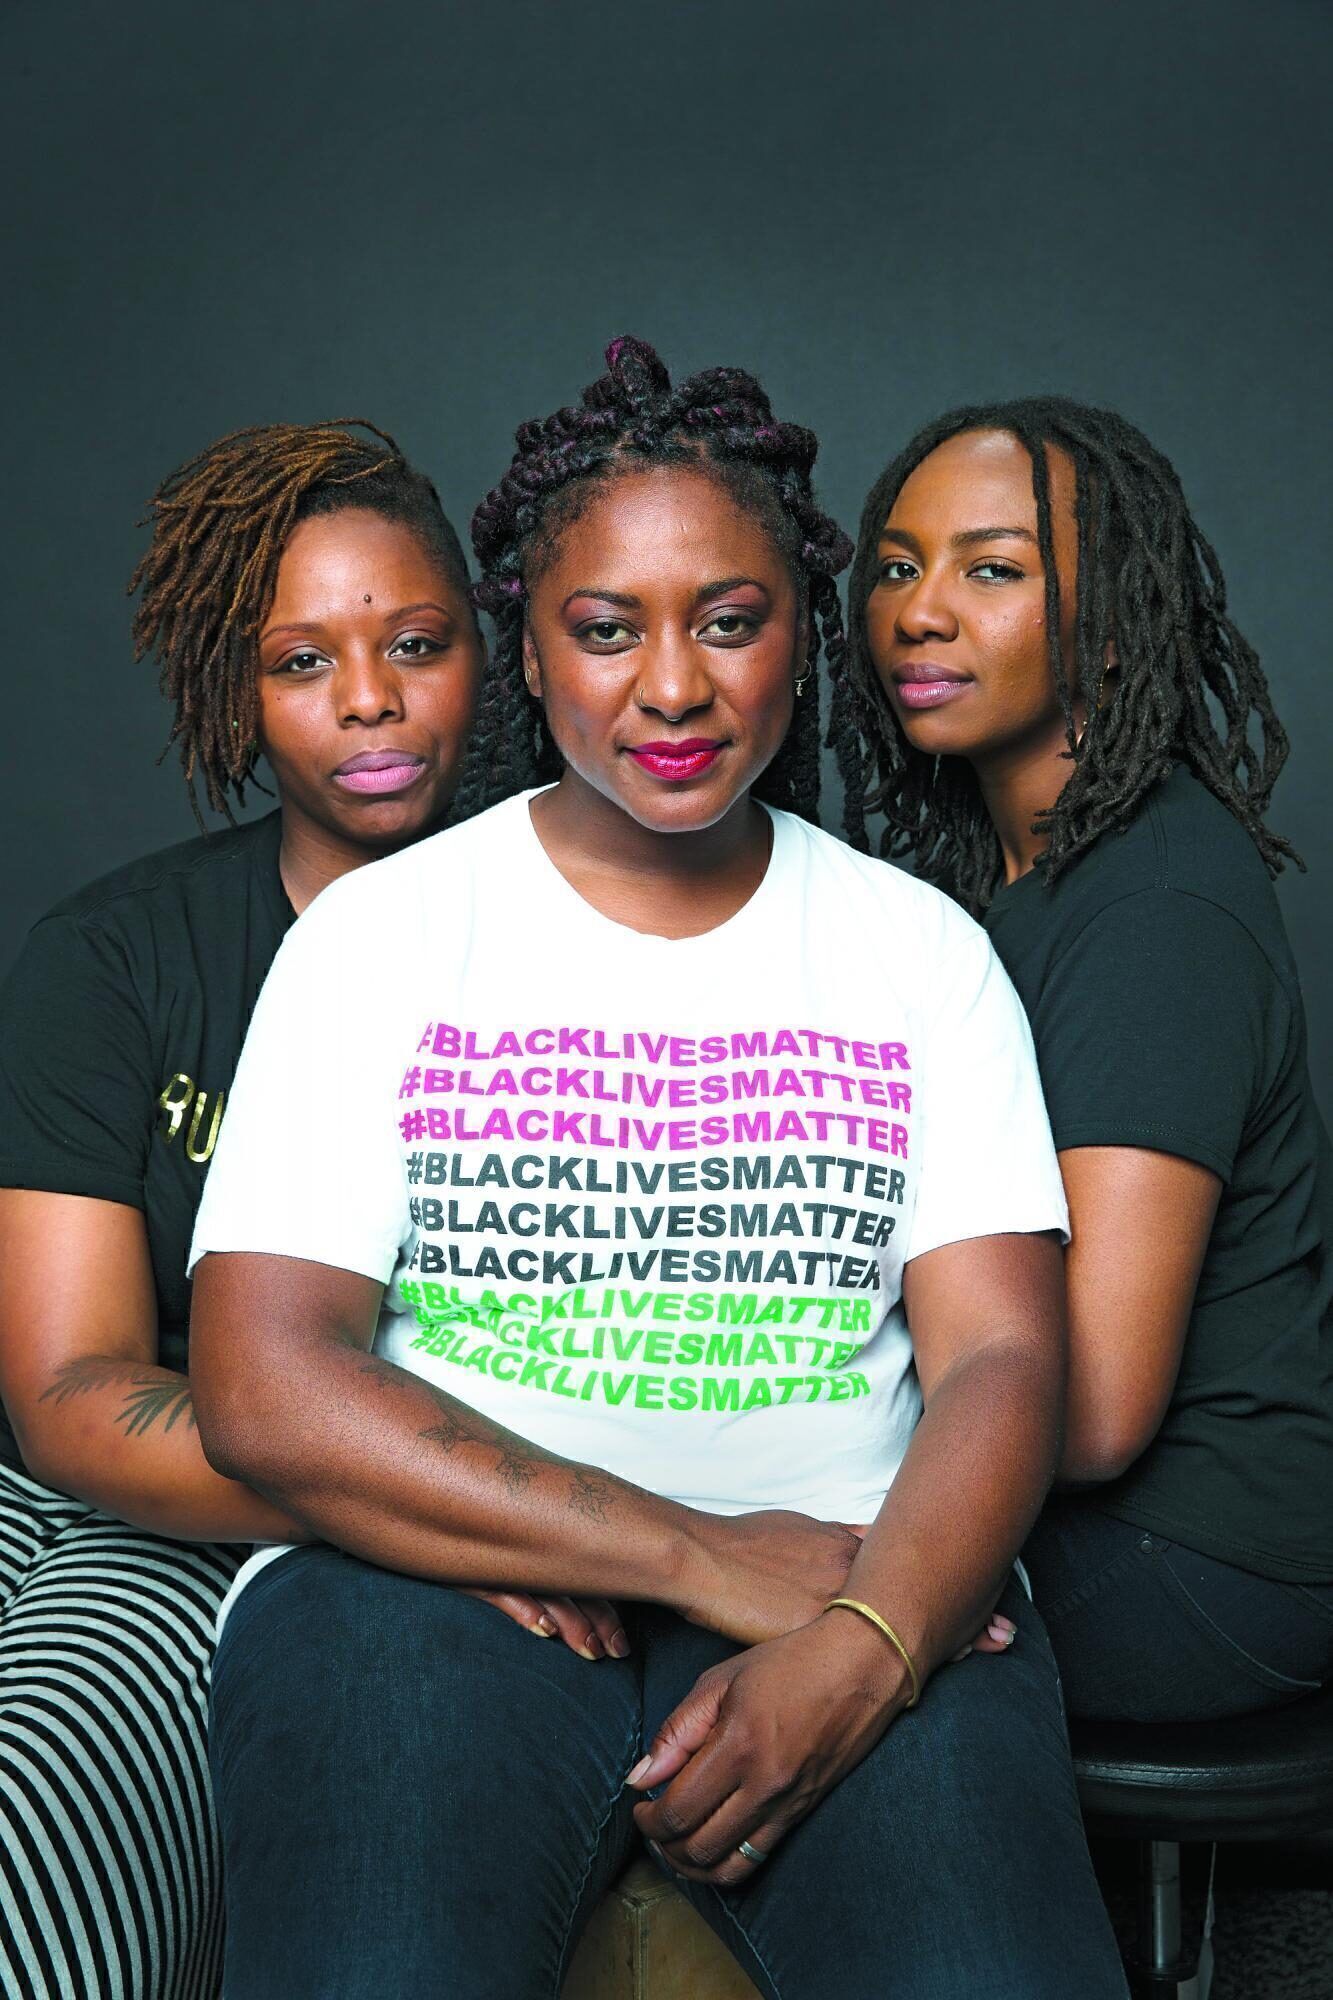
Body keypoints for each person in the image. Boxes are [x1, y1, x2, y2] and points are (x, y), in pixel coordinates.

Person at [188, 339, 1126, 2000]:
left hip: (854, 1560)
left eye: (730, 620)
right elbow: (262, 1380)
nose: (673, 690)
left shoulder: (918, 950)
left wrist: (869, 1644)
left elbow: (1002, 1359)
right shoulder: (385, 938)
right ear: (528, 653)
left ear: (798, 635)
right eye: (606, 630)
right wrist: (685, 1551)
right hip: (434, 1587)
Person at [0, 420, 488, 1999]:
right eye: (300, 661)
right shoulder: (117, 960)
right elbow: (71, 1391)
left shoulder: (609, 944)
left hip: (396, 1543)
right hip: (156, 1495)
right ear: (233, 696)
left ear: (492, 652)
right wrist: (419, 1489)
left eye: (416, 643)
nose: (368, 701)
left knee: (73, 1752)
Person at [835, 396, 1333, 1722]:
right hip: (1085, 1510)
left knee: (740, 1606)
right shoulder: (999, 892)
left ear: (1110, 626)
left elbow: (1101, 1405)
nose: (918, 611)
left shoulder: (1150, 906)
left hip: (1201, 1559)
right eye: (895, 565)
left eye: (988, 570)